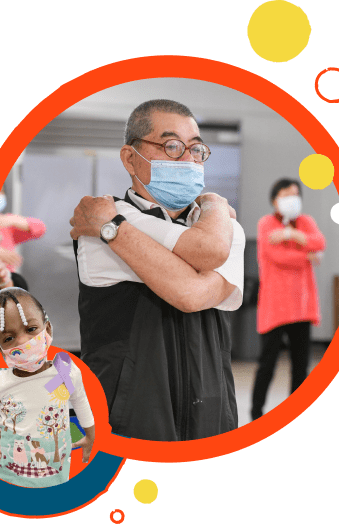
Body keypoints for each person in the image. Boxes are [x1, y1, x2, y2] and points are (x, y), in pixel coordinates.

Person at [70, 99, 245, 441]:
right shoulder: (98, 229)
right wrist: (216, 207)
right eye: (171, 146)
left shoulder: (105, 223)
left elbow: (192, 291)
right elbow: (190, 291)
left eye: (195, 149)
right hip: (127, 421)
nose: (187, 159)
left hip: (211, 416)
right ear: (130, 158)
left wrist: (212, 206)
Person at [0, 287, 95, 487]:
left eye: (31, 329)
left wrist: (90, 435)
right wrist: (0, 435)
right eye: (8, 338)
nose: (23, 341)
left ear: (47, 329)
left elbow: (79, 399)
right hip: (8, 479)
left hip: (57, 479)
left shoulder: (64, 371)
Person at [251, 178, 326, 420]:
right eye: (286, 194)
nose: (292, 199)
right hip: (275, 306)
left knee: (300, 365)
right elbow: (277, 256)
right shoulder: (265, 223)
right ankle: (256, 413)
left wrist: (289, 234)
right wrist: (307, 254)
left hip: (302, 306)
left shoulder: (306, 221)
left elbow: (320, 242)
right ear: (275, 200)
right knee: (267, 364)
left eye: (295, 194)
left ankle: (296, 414)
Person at [0, 187, 46, 273]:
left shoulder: (4, 225)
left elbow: (40, 229)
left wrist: (14, 220)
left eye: (1, 192)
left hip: (6, 283)